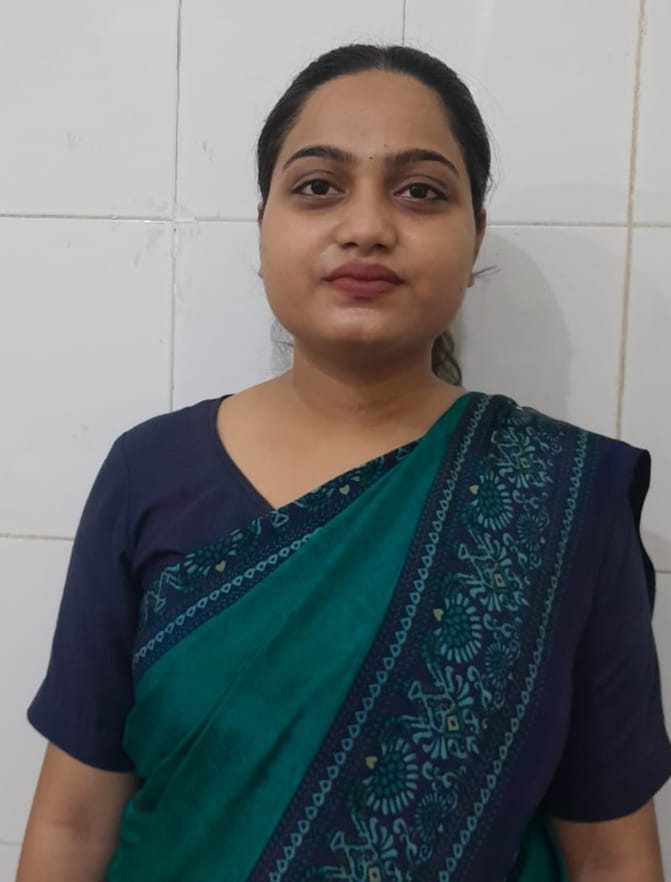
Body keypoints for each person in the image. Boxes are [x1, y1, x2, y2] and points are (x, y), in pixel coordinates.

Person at [17, 43, 671, 882]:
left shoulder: (561, 498)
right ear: (263, 227)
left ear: (473, 240)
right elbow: (71, 824)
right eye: (318, 187)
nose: (365, 227)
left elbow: (612, 855)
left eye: (421, 191)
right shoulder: (149, 472)